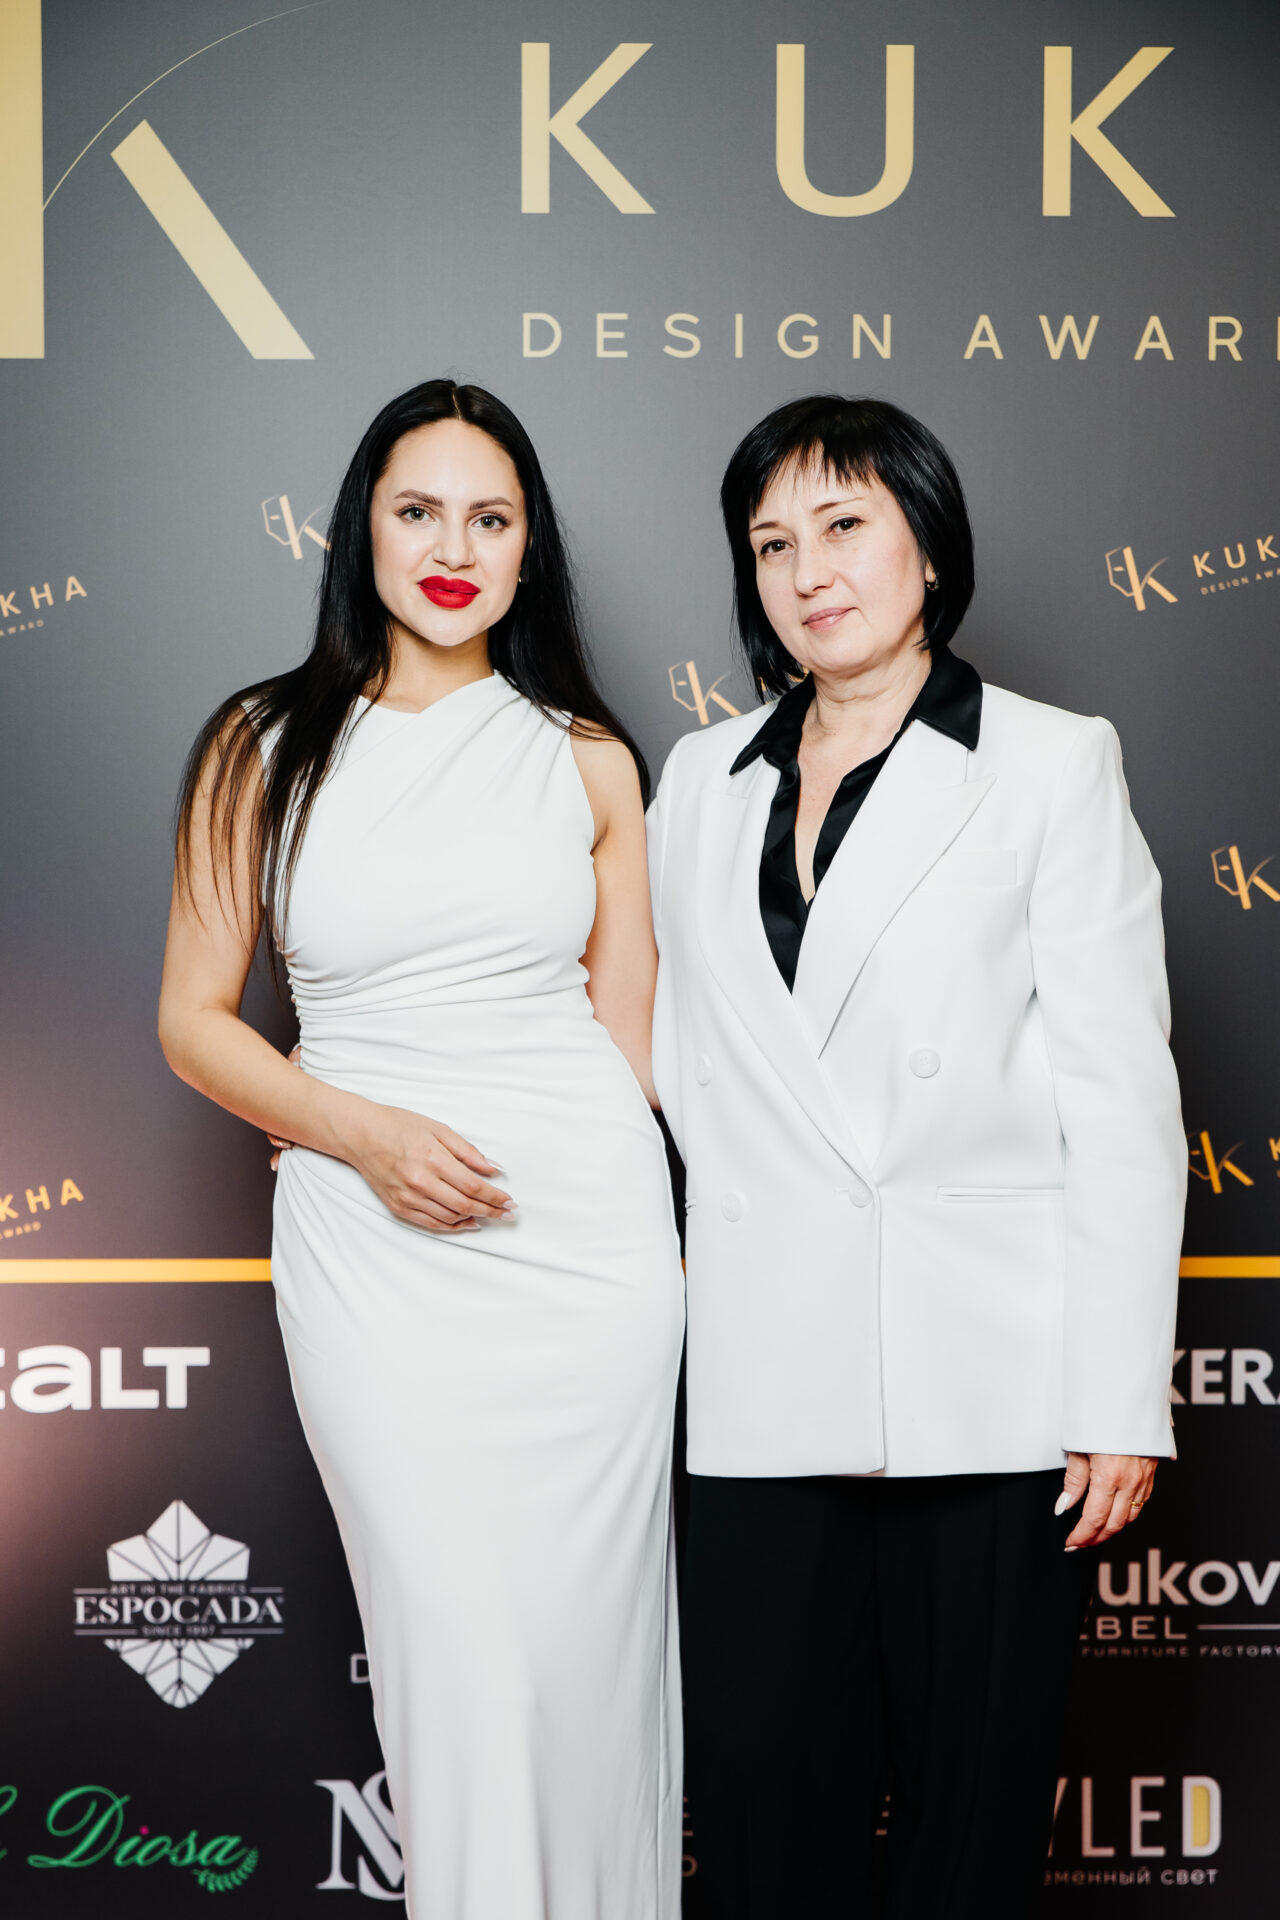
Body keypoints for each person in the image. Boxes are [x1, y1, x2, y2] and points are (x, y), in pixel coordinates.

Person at [646, 394, 1186, 1917]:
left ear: (928, 546)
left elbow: (1121, 1098)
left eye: (844, 525)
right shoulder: (697, 780)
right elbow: (659, 1056)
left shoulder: (1050, 762)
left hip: (986, 1386)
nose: (807, 570)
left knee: (968, 1840)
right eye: (771, 544)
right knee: (763, 1833)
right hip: (760, 1380)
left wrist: (1115, 1393)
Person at [158, 379, 684, 1920]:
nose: (454, 548)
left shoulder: (588, 757)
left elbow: (633, 1042)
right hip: (374, 1250)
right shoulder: (258, 744)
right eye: (418, 511)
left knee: (589, 1670)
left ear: (530, 548)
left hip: (586, 1255)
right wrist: (356, 1134)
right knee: (461, 1660)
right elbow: (194, 1020)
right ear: (360, 530)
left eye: (491, 518)